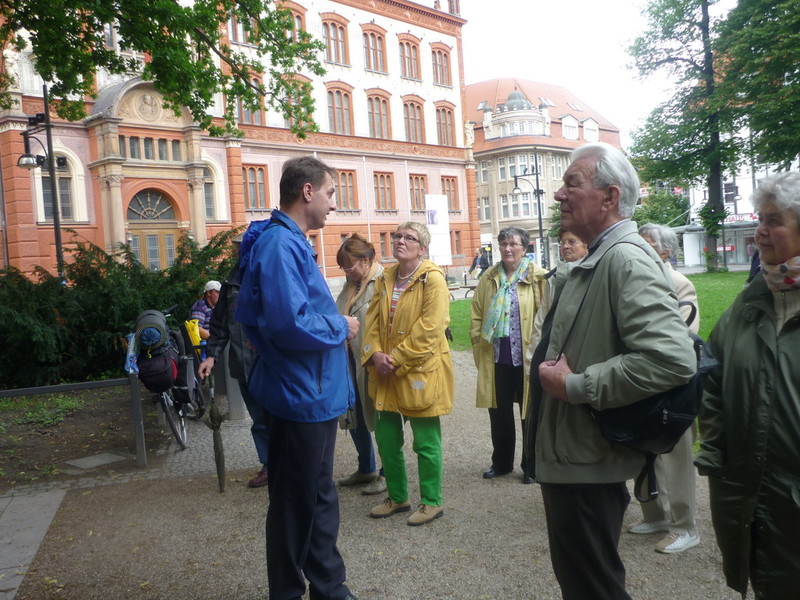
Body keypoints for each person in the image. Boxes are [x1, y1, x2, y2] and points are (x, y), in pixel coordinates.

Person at [533, 142, 696, 600]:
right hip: (576, 457)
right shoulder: (602, 255)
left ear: (609, 197)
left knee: (593, 588)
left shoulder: (624, 257)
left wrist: (575, 385)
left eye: (572, 184)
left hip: (587, 462)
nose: (559, 195)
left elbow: (671, 358)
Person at [235, 156, 359, 600]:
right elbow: (289, 323)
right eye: (330, 193)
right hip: (300, 394)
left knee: (317, 496)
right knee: (294, 503)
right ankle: (292, 592)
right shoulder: (279, 244)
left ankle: (329, 586)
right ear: (307, 192)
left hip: (310, 393)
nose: (333, 204)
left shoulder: (289, 241)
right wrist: (341, 326)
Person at [696, 171, 800, 599]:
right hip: (749, 498)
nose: (760, 231)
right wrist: (717, 446)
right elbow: (712, 375)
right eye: (760, 219)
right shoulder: (750, 300)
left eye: (774, 220)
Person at [361, 221, 454, 526]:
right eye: (398, 236)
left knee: (425, 442)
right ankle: (398, 497)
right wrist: (375, 354)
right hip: (385, 372)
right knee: (387, 440)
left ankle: (432, 502)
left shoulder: (433, 279)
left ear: (422, 248)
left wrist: (395, 359)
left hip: (418, 371)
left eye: (409, 238)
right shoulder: (385, 277)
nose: (400, 241)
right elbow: (371, 322)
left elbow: (431, 329)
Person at [628, 223, 700, 553]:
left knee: (676, 458)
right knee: (644, 451)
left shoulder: (680, 284)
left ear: (665, 252)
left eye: (646, 244)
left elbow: (682, 337)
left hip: (674, 389)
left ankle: (684, 527)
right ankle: (655, 515)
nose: (639, 249)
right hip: (641, 381)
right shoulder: (635, 281)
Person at [470, 227, 547, 484]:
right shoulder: (490, 277)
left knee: (530, 413)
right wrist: (477, 342)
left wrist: (541, 354)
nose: (507, 248)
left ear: (524, 248)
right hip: (497, 357)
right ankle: (501, 463)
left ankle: (531, 466)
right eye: (503, 243)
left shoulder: (537, 277)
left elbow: (546, 318)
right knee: (499, 413)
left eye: (513, 244)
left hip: (527, 358)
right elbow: (477, 312)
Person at [198, 235, 270, 489]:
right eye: (237, 250)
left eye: (241, 249)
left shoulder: (269, 275)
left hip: (268, 364)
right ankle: (269, 465)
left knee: (278, 417)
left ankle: (288, 464)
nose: (238, 254)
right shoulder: (231, 283)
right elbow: (219, 326)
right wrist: (211, 356)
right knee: (259, 420)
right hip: (242, 364)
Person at [335, 234, 387, 496]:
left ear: (366, 261)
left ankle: (388, 473)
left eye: (350, 265)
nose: (347, 271)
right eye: (343, 266)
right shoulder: (351, 284)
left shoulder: (383, 281)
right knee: (353, 414)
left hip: (373, 361)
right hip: (349, 359)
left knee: (381, 418)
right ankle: (366, 467)